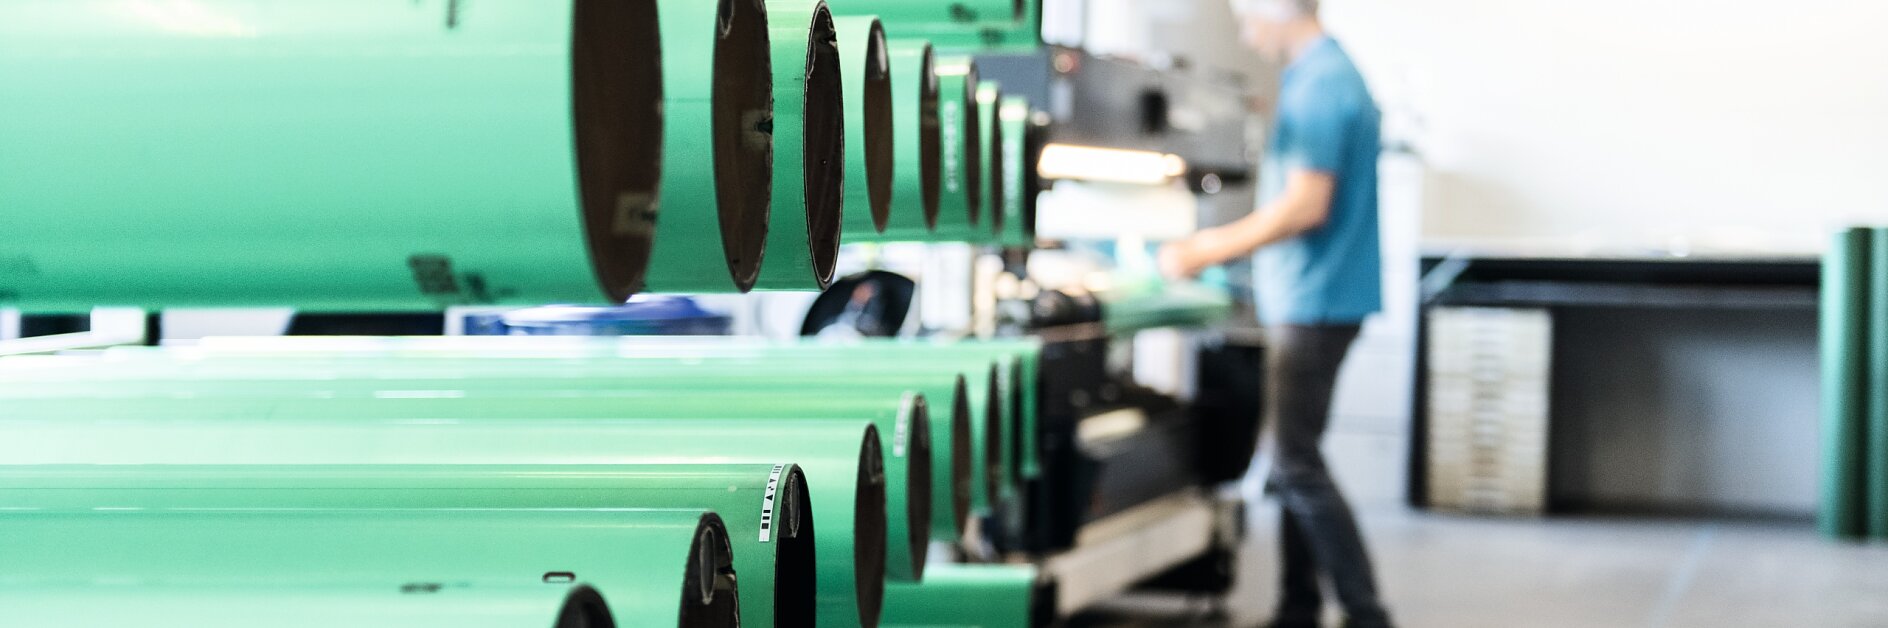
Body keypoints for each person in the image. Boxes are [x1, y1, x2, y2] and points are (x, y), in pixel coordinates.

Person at [1158, 1, 1392, 626]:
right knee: (1297, 458)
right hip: (1319, 296)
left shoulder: (1322, 85)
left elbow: (1304, 207)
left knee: (1295, 463)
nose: (1244, 28)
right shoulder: (1326, 74)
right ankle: (1298, 605)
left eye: (1245, 13)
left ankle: (1366, 612)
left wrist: (1205, 247)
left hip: (1315, 301)